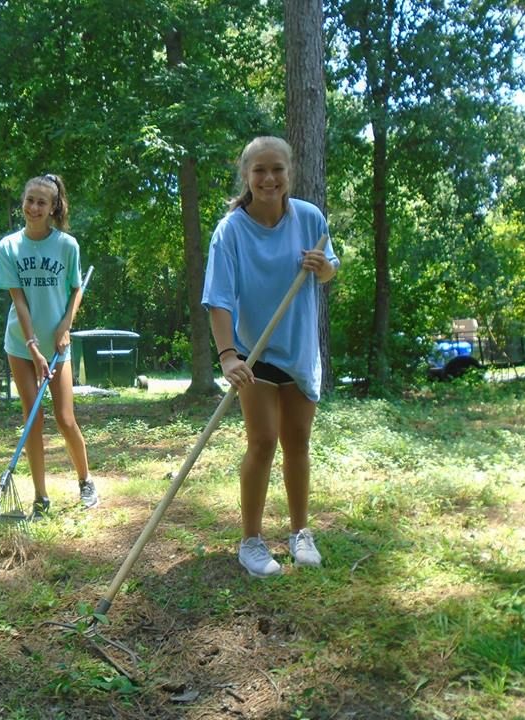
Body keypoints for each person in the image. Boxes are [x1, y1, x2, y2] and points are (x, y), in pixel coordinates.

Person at [202, 136, 340, 578]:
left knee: (297, 441)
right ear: (247, 175)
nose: (269, 178)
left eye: (277, 169)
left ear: (289, 172)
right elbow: (218, 300)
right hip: (253, 350)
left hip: (299, 346)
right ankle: (251, 542)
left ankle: (301, 533)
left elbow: (330, 268)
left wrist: (325, 268)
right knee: (262, 441)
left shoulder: (310, 218)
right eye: (259, 170)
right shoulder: (231, 230)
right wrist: (227, 356)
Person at [0, 174, 98, 519]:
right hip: (21, 345)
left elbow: (75, 288)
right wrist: (32, 345)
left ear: (53, 207)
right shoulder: (8, 246)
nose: (33, 207)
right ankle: (41, 497)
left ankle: (85, 481)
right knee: (33, 421)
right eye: (29, 200)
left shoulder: (67, 246)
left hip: (57, 344)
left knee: (65, 418)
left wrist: (65, 327)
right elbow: (19, 301)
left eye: (42, 202)